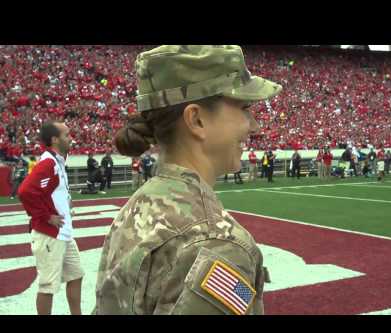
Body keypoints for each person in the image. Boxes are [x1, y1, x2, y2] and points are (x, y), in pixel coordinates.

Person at [94, 45, 282, 315]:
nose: (254, 126)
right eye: (244, 108)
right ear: (197, 120)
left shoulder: (140, 203)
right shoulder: (219, 243)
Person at [17, 120, 84, 315]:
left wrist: (65, 202)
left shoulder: (57, 160)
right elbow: (25, 191)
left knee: (76, 275)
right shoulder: (48, 163)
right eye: (66, 135)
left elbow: (50, 191)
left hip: (63, 233)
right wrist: (46, 216)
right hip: (49, 234)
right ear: (55, 139)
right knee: (48, 286)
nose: (70, 138)